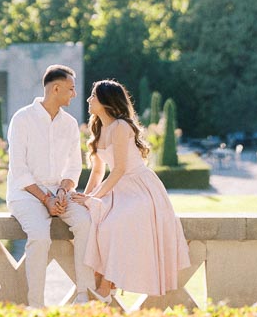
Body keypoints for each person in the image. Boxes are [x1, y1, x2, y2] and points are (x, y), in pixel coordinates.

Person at [75, 79, 190, 301]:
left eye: (93, 97)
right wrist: (84, 197)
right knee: (96, 220)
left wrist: (92, 198)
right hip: (118, 189)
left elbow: (118, 170)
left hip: (140, 188)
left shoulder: (121, 126)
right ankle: (104, 282)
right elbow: (98, 172)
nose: (89, 100)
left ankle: (107, 287)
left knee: (114, 223)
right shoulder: (98, 128)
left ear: (106, 101)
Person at [7, 64, 97, 306]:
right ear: (56, 88)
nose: (74, 94)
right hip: (25, 194)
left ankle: (83, 296)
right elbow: (19, 170)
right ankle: (36, 305)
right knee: (39, 236)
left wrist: (61, 192)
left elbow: (73, 168)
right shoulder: (22, 119)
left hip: (59, 193)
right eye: (71, 89)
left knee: (86, 223)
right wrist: (45, 199)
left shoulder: (69, 123)